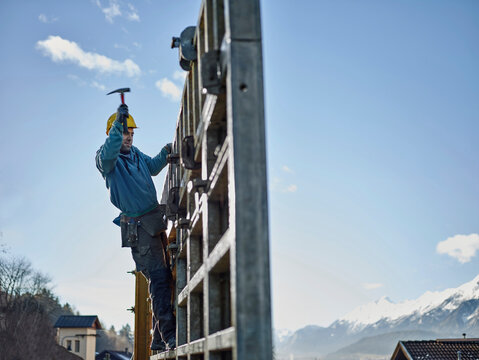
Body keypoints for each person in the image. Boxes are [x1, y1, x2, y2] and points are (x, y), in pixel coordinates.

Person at [95, 104, 176, 351]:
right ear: (113, 132)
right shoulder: (105, 159)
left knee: (162, 281)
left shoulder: (136, 153)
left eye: (132, 133)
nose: (129, 137)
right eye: (124, 132)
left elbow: (152, 167)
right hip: (139, 228)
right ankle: (171, 337)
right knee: (159, 279)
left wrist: (166, 152)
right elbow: (109, 152)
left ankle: (160, 340)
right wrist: (117, 126)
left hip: (154, 222)